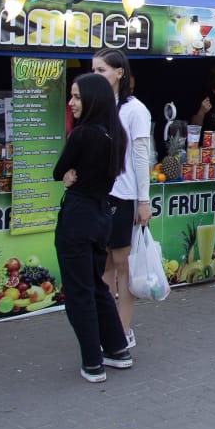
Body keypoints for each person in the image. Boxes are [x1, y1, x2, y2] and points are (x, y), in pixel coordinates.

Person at [53, 73, 133, 383]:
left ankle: (92, 361)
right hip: (102, 216)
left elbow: (59, 170)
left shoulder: (83, 134)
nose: (71, 103)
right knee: (97, 285)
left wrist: (69, 175)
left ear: (92, 100)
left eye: (76, 97)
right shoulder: (116, 134)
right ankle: (117, 349)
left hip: (78, 216)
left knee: (79, 291)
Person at [91, 49, 152, 350]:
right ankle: (107, 327)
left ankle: (123, 329)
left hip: (125, 195)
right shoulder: (97, 108)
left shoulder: (135, 110)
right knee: (103, 265)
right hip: (99, 194)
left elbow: (142, 156)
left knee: (122, 264)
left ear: (119, 73)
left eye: (101, 70)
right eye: (94, 71)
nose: (96, 76)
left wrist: (144, 200)